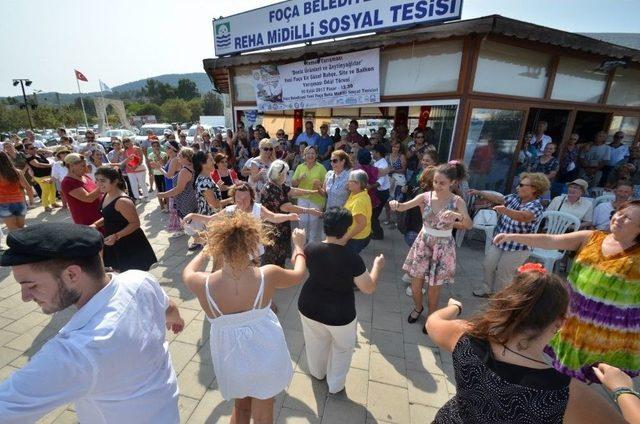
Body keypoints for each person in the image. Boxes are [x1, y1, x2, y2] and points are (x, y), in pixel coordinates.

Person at [0, 223, 184, 423]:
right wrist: (177, 319)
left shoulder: (78, 352)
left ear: (72, 274)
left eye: (31, 285)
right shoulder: (140, 279)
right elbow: (169, 308)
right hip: (167, 410)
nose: (25, 297)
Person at [427, 265, 623, 423]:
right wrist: (622, 389)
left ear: (507, 304)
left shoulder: (466, 337)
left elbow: (432, 322)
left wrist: (454, 307)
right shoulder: (568, 393)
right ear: (559, 323)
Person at [493, 200, 640, 384]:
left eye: (627, 218)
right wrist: (513, 236)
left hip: (607, 330)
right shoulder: (592, 237)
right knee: (563, 371)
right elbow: (552, 240)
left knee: (596, 376)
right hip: (572, 317)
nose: (619, 218)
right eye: (619, 213)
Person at [181, 214, 307, 423]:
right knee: (264, 412)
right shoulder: (268, 275)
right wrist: (299, 246)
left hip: (230, 359)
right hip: (267, 353)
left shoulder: (201, 283)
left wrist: (206, 250)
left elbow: (188, 271)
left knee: (240, 408)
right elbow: (299, 274)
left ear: (219, 247)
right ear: (253, 244)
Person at [298, 207, 384, 394]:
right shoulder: (352, 258)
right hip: (340, 313)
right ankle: (335, 385)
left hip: (309, 305)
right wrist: (377, 266)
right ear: (346, 230)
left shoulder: (310, 248)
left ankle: (317, 373)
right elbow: (368, 288)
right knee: (342, 349)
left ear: (325, 226)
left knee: (315, 342)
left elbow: (299, 267)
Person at [390, 162, 472, 327]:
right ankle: (418, 307)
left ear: (452, 183)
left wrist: (457, 215)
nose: (437, 186)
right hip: (423, 243)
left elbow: (469, 224)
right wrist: (395, 205)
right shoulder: (425, 196)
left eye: (442, 183)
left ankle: (431, 316)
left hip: (443, 246)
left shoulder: (457, 201)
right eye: (435, 182)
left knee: (435, 288)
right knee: (415, 285)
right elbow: (403, 207)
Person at [469, 172, 548, 297]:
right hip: (501, 240)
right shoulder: (515, 197)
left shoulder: (536, 206)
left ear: (534, 188)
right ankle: (486, 289)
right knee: (488, 265)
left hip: (519, 246)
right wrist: (480, 192)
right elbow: (499, 199)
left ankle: (502, 298)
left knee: (504, 272)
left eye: (522, 185)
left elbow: (524, 216)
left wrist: (505, 210)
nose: (518, 187)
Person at [92, 166, 157, 272]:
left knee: (134, 275)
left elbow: (135, 223)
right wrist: (95, 224)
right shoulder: (107, 195)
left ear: (115, 181)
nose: (98, 184)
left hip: (129, 244)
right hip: (114, 241)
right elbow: (110, 217)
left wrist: (116, 236)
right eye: (97, 181)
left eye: (102, 181)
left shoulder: (122, 201)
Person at [260, 160, 322, 268]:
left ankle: (278, 273)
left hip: (281, 225)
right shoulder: (271, 188)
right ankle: (272, 277)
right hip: (273, 228)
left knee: (280, 255)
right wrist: (309, 211)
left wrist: (311, 192)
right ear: (279, 174)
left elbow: (292, 191)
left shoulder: (278, 184)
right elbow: (287, 207)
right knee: (273, 257)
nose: (287, 176)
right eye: (286, 173)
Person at [292, 146, 327, 243]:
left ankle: (311, 245)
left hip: (316, 199)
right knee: (302, 222)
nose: (310, 155)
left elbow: (326, 185)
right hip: (302, 198)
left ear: (316, 155)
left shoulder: (321, 168)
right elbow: (293, 184)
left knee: (313, 223)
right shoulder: (300, 167)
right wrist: (299, 179)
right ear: (304, 155)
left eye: (313, 153)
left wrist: (319, 184)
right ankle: (303, 241)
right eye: (308, 153)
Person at [157, 147, 197, 227]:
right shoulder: (193, 167)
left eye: (180, 156)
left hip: (186, 202)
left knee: (191, 228)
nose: (178, 158)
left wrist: (163, 195)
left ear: (186, 157)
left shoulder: (185, 170)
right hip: (193, 199)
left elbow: (179, 189)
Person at [190, 151, 222, 250]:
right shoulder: (204, 181)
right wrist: (232, 199)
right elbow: (214, 204)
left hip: (209, 221)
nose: (214, 162)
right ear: (202, 163)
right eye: (211, 160)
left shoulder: (205, 178)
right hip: (212, 222)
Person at [61, 153, 102, 226]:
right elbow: (88, 198)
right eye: (82, 166)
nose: (86, 168)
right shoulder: (68, 182)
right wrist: (103, 184)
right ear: (71, 166)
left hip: (100, 216)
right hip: (88, 220)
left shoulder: (85, 176)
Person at [0, 151, 33, 232]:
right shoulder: (17, 172)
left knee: (12, 230)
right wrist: (31, 201)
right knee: (21, 228)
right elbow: (28, 188)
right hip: (20, 202)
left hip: (4, 203)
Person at [342, 169, 373, 255]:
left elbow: (361, 224)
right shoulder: (357, 193)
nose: (347, 183)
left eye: (350, 181)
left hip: (356, 238)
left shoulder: (359, 202)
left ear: (358, 184)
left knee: (349, 261)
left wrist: (345, 238)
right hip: (361, 234)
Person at [25, 143, 59, 212]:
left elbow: (51, 154)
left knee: (53, 189)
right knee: (46, 191)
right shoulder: (30, 158)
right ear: (26, 150)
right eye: (31, 148)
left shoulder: (39, 154)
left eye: (34, 147)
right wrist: (50, 165)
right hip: (40, 177)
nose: (34, 149)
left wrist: (42, 150)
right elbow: (38, 165)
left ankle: (53, 203)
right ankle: (46, 206)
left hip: (48, 175)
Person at [371, 145, 391, 239]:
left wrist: (369, 187)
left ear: (378, 153)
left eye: (373, 152)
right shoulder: (377, 162)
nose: (372, 153)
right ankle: (376, 232)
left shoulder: (383, 165)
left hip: (381, 193)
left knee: (373, 215)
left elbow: (380, 182)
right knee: (373, 214)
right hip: (379, 193)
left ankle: (378, 234)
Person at [123, 138, 149, 202]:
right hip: (130, 171)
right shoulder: (124, 151)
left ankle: (146, 196)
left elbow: (141, 159)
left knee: (142, 183)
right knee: (133, 184)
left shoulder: (137, 148)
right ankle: (137, 198)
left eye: (128, 141)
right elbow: (125, 161)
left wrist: (135, 167)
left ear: (131, 141)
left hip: (139, 169)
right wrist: (129, 167)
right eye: (125, 142)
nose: (127, 143)